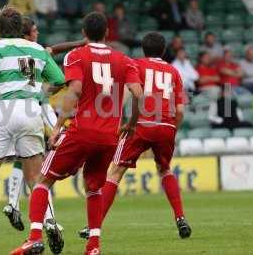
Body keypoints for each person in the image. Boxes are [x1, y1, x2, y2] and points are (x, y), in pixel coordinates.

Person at [9, 12, 143, 255]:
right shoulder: (125, 60)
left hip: (82, 131)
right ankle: (93, 246)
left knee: (42, 180)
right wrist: (131, 123)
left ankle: (35, 238)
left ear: (83, 33)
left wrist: (58, 127)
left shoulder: (77, 55)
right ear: (107, 33)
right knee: (94, 188)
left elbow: (75, 91)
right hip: (109, 136)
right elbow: (137, 93)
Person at [0, 6, 66, 255]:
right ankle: (51, 221)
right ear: (21, 28)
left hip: (2, 110)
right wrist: (39, 93)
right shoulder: (37, 50)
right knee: (36, 178)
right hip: (30, 110)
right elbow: (59, 80)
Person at [79, 31, 191, 241]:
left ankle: (93, 226)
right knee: (165, 169)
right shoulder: (174, 71)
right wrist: (172, 127)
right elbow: (181, 110)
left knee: (116, 171)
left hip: (141, 124)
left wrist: (117, 121)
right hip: (167, 125)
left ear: (143, 49)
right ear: (164, 50)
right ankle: (180, 218)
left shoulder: (135, 64)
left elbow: (127, 94)